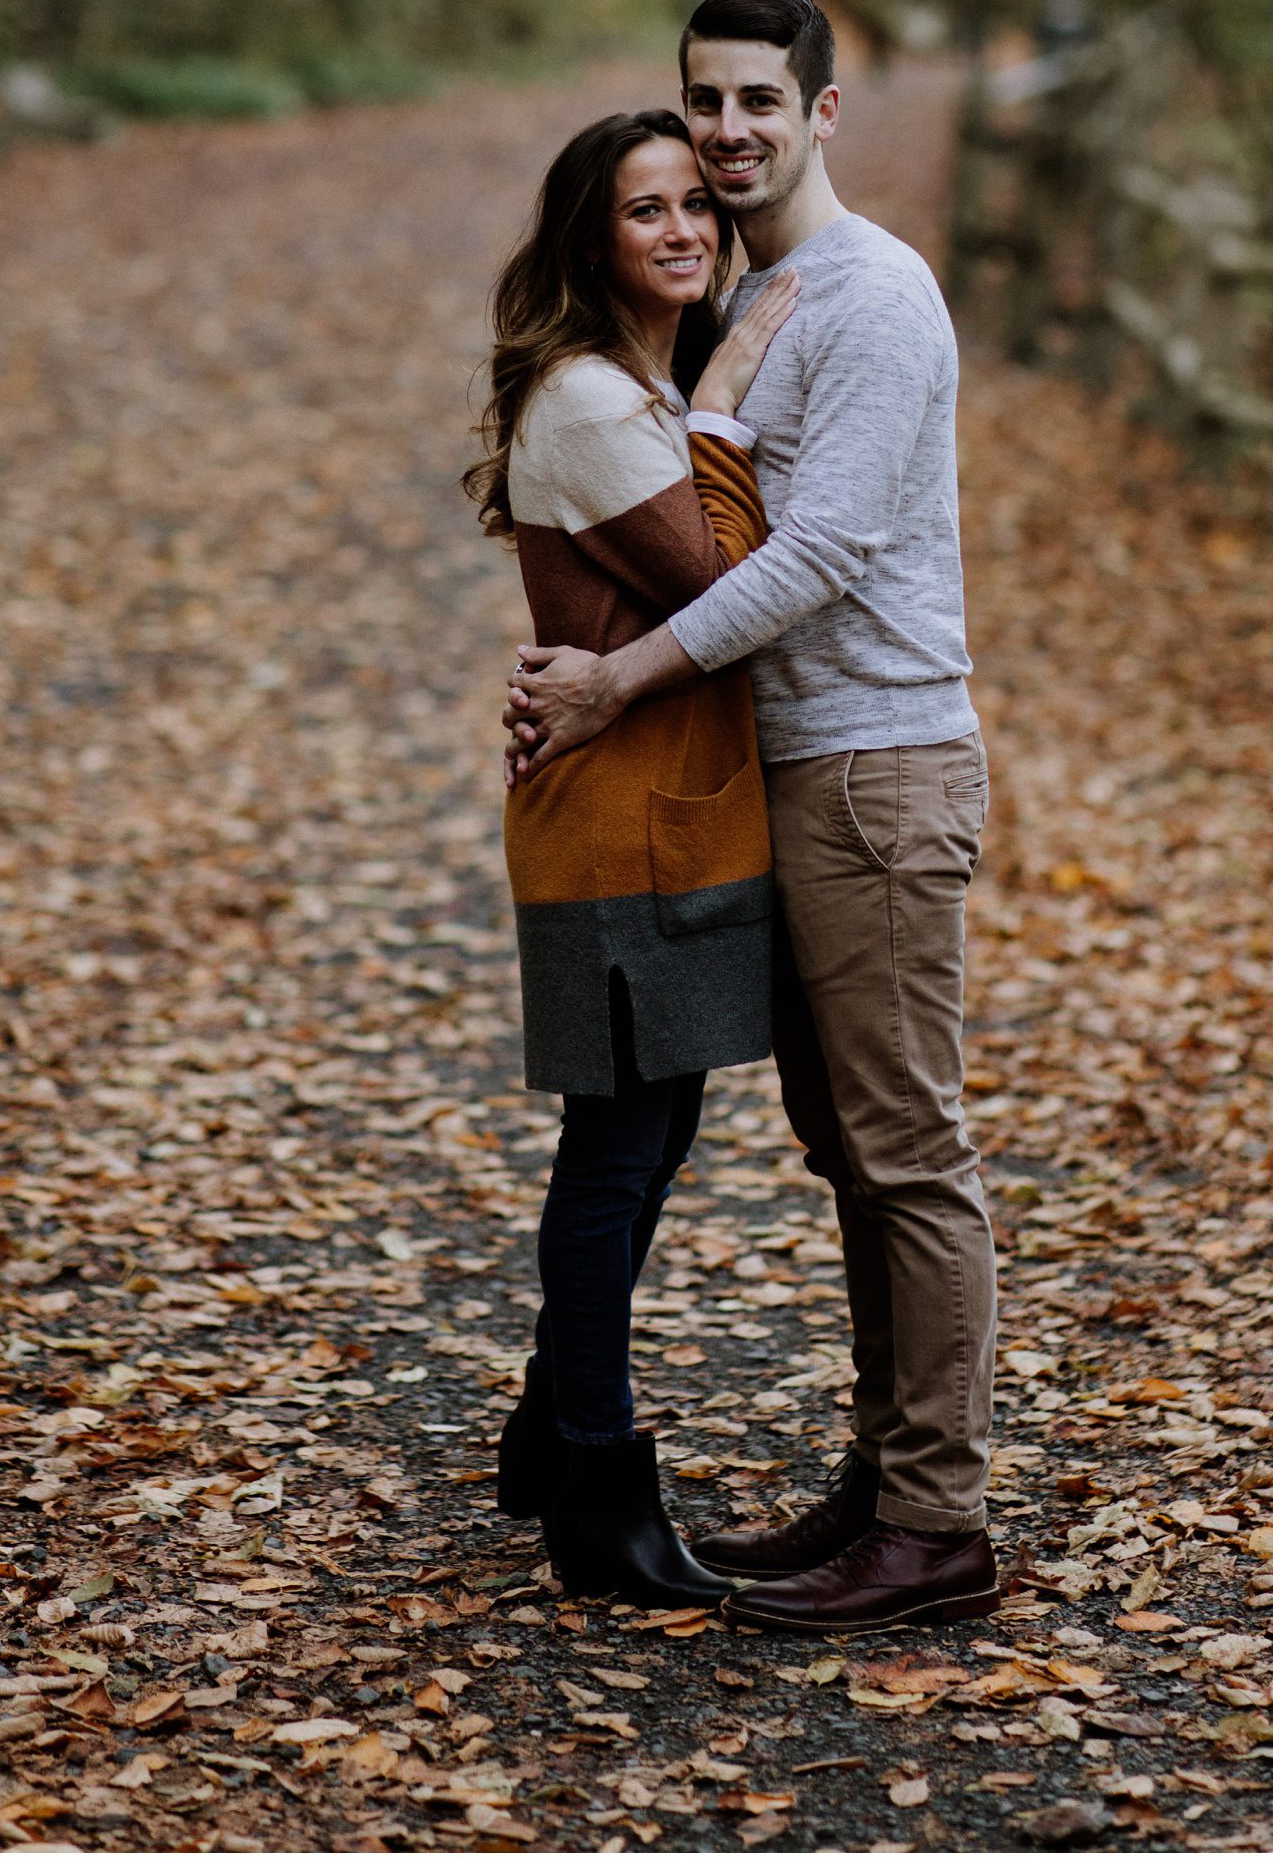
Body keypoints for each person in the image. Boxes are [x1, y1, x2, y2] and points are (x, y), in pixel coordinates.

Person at [504, 0, 1000, 1636]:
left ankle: (935, 1518)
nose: (725, 132)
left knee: (902, 1144)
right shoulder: (755, 290)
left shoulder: (868, 294)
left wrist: (615, 680)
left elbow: (815, 556)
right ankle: (887, 1476)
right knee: (843, 1139)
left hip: (874, 761)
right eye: (702, 100)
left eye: (757, 104)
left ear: (823, 113)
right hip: (789, 776)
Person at [466, 107, 798, 1609]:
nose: (681, 230)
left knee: (648, 1140)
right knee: (618, 1151)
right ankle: (595, 1480)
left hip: (665, 807)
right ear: (590, 240)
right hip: (617, 822)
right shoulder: (602, 402)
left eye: (694, 208)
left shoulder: (626, 391)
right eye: (642, 210)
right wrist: (723, 403)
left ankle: (549, 1426)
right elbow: (737, 584)